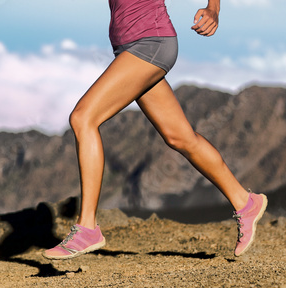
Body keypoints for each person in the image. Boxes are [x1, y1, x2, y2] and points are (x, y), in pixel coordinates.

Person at [43, 0, 267, 260]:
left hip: (150, 42)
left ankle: (87, 227)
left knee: (83, 118)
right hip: (132, 46)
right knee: (180, 137)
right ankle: (246, 202)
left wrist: (214, 8)